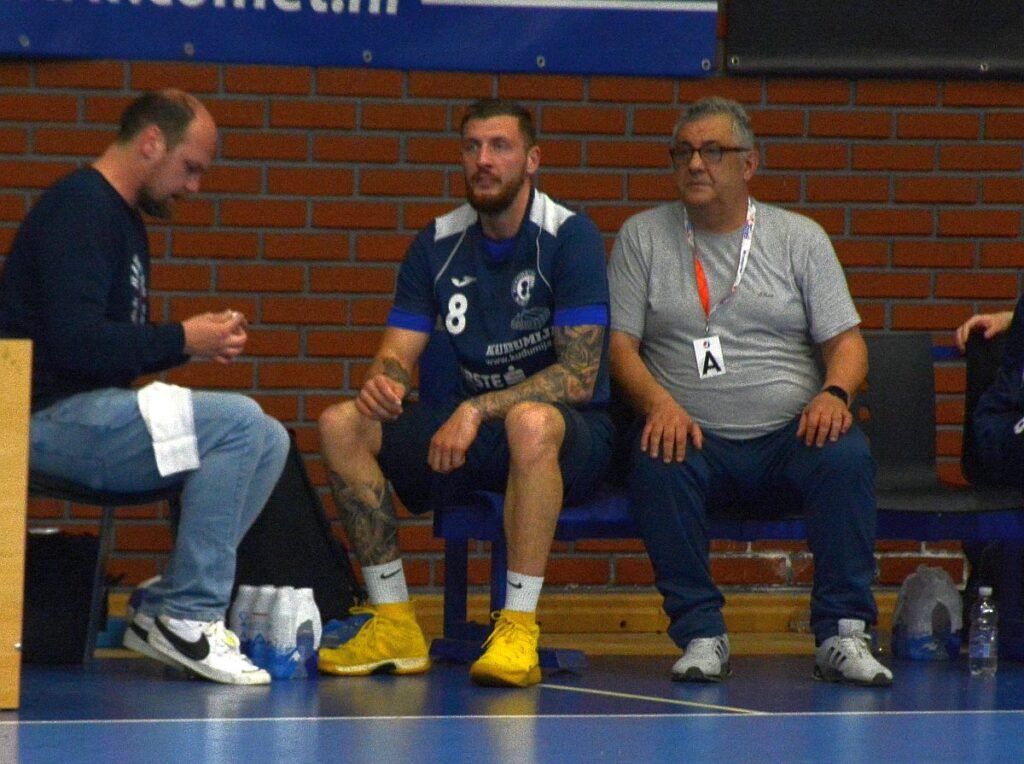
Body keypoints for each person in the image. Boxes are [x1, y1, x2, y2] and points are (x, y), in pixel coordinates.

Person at [317, 98, 613, 688]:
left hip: (568, 438)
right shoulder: (438, 241)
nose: (484, 160)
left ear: (532, 160)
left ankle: (518, 628)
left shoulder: (569, 236)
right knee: (341, 423)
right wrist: (384, 384)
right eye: (472, 147)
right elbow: (397, 353)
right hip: (471, 433)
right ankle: (394, 621)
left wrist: (476, 408)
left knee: (530, 420)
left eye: (500, 146)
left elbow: (578, 377)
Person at [0, 90, 290, 685]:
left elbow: (107, 352)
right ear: (152, 143)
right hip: (34, 416)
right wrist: (183, 338)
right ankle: (190, 615)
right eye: (191, 168)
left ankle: (166, 605)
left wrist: (185, 343)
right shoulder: (80, 208)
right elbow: (75, 345)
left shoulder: (124, 221)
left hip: (84, 409)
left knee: (267, 438)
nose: (194, 188)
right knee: (238, 423)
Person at [607, 96, 892, 687]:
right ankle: (701, 634)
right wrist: (659, 404)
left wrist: (834, 394)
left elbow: (848, 343)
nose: (695, 164)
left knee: (845, 457)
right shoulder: (642, 237)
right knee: (656, 457)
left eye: (713, 151)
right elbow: (618, 348)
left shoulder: (799, 238)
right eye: (683, 152)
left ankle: (842, 634)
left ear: (749, 163)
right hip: (692, 436)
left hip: (791, 436)